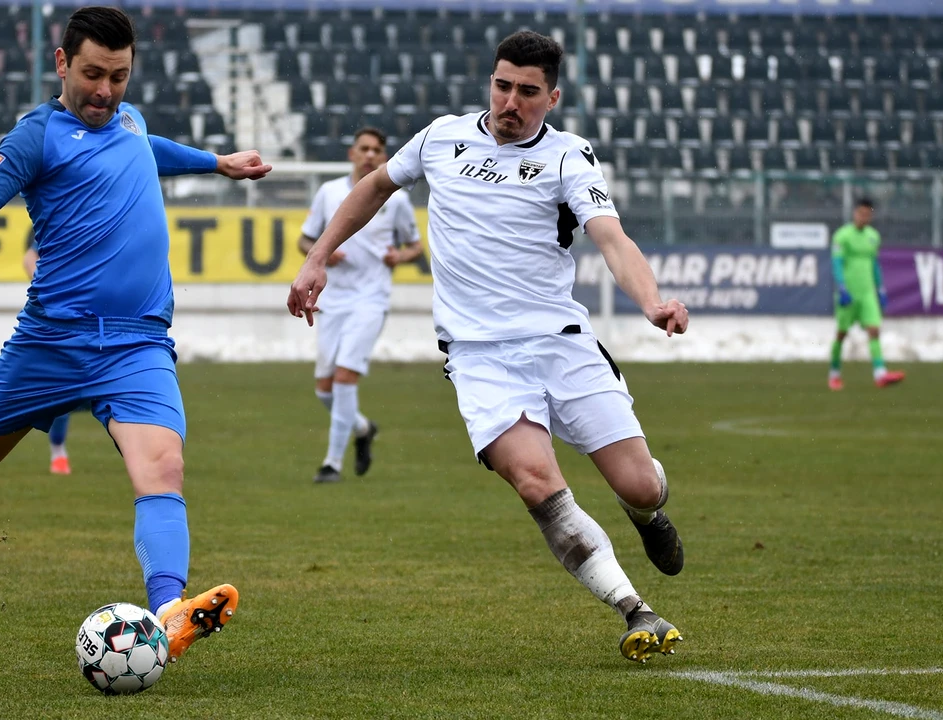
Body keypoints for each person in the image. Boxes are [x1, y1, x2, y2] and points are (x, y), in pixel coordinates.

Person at [0, 6, 271, 664]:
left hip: (137, 346)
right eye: (91, 75)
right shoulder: (34, 138)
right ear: (61, 63)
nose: (104, 91)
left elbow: (147, 145)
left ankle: (169, 608)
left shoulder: (126, 118)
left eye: (118, 76)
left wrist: (215, 162)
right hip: (50, 345)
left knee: (163, 468)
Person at [288, 31, 688, 664]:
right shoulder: (441, 137)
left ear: (551, 97)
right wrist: (316, 259)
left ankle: (647, 516)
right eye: (503, 85)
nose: (511, 101)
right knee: (535, 481)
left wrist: (652, 301)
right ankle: (634, 608)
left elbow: (611, 237)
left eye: (528, 92)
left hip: (561, 344)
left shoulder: (568, 157)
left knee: (639, 485)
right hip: (479, 357)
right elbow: (372, 187)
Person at [297, 126, 423, 484]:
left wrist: (399, 255)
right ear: (352, 154)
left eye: (377, 150)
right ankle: (364, 428)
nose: (370, 155)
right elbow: (305, 239)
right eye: (364, 148)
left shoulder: (395, 199)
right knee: (324, 389)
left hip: (371, 298)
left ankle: (331, 464)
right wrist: (321, 254)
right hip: (333, 298)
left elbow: (415, 245)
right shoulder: (329, 192)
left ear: (384, 158)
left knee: (344, 377)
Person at [828, 198, 905, 390]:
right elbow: (837, 263)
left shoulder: (873, 237)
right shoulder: (842, 236)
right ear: (855, 213)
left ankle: (880, 374)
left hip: (867, 292)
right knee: (841, 334)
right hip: (848, 293)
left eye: (868, 214)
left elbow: (874, 264)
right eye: (861, 213)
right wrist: (842, 287)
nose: (864, 217)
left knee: (874, 330)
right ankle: (834, 374)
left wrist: (880, 289)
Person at [23, 236, 74, 474]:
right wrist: (48, 288)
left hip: (102, 318)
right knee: (61, 389)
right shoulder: (65, 221)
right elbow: (30, 258)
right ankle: (58, 451)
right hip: (62, 319)